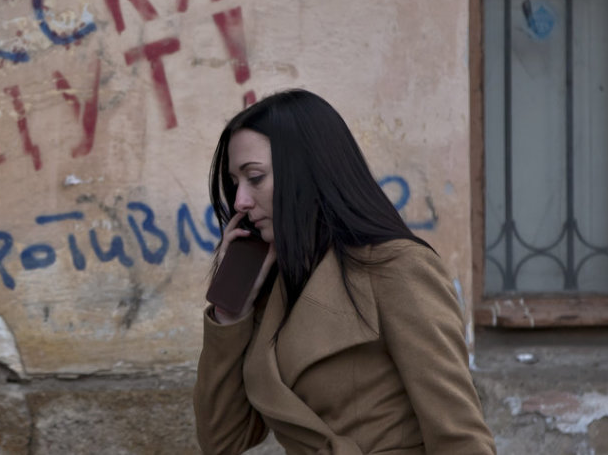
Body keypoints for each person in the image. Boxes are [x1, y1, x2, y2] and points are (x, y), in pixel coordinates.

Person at [193, 89, 497, 455]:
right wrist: (230, 309)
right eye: (235, 182)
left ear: (308, 171)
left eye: (254, 177)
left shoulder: (397, 268)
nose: (240, 200)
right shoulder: (271, 291)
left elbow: (460, 439)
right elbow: (222, 440)